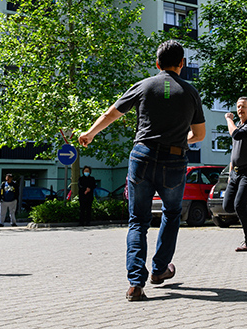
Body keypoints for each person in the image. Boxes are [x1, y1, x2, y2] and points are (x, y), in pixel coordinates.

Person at [78, 40, 205, 302]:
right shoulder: (191, 92)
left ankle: (136, 284)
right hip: (174, 159)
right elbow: (200, 134)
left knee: (138, 220)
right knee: (171, 214)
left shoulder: (144, 85)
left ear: (157, 64)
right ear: (182, 63)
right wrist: (180, 138)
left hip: (143, 156)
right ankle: (159, 270)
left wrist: (89, 134)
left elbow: (112, 113)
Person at [222, 97, 247, 252]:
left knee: (239, 206)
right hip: (235, 172)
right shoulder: (239, 125)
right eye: (238, 107)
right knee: (228, 206)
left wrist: (228, 119)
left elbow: (236, 135)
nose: (240, 109)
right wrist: (231, 169)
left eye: (243, 106)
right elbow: (236, 149)